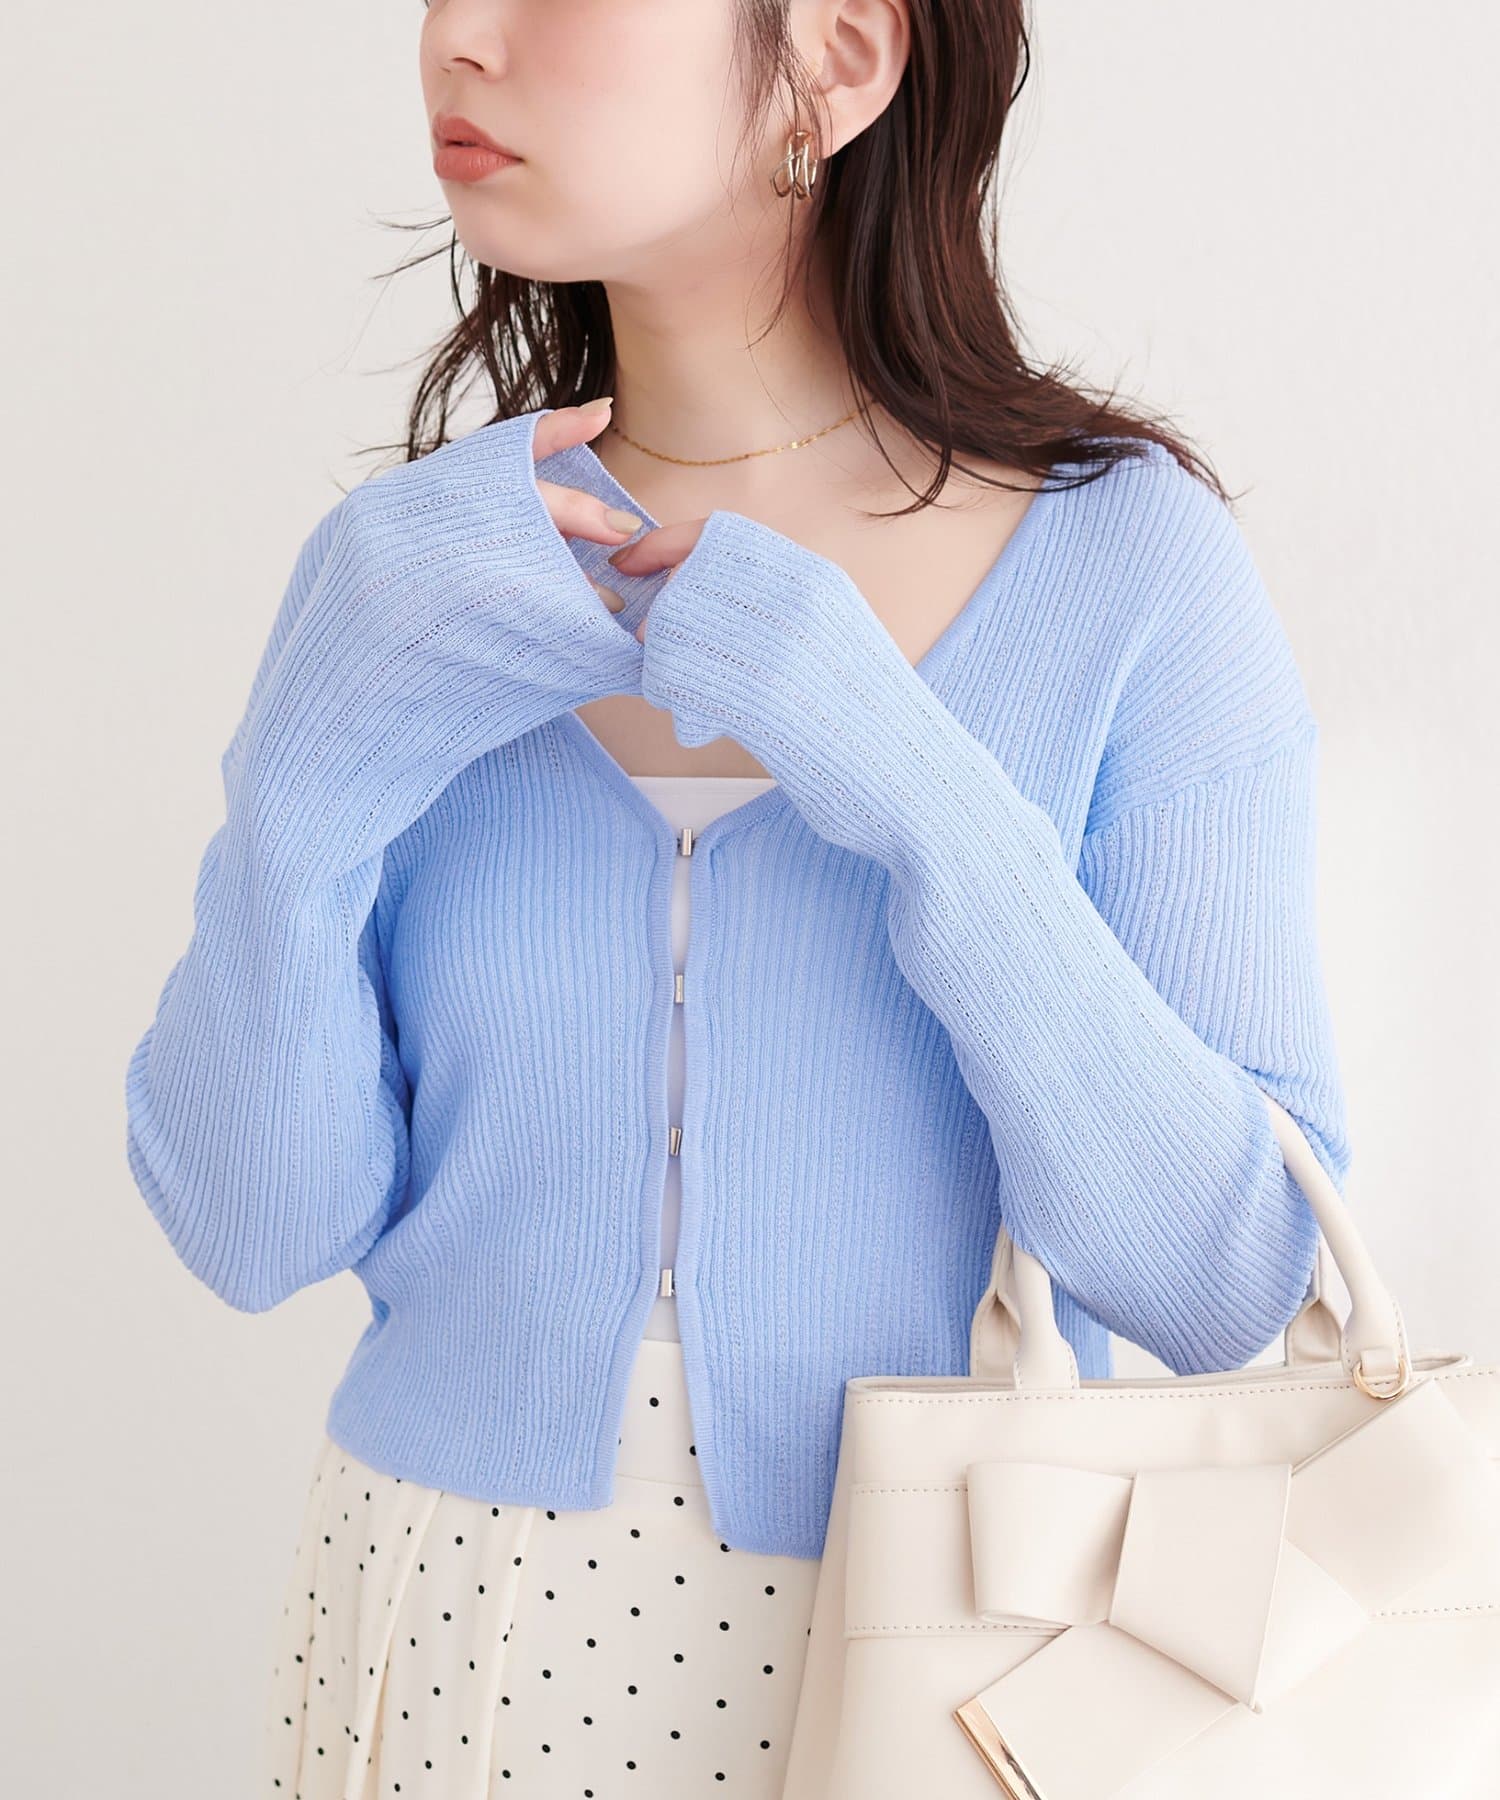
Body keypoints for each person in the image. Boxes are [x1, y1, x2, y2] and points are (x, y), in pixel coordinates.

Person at [122, 1, 1352, 1794]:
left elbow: (1228, 1279)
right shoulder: (409, 577)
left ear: (838, 58)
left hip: (947, 1662)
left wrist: (912, 782)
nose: (461, 38)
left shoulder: (1131, 567)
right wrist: (301, 788)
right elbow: (252, 1228)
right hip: (443, 1639)